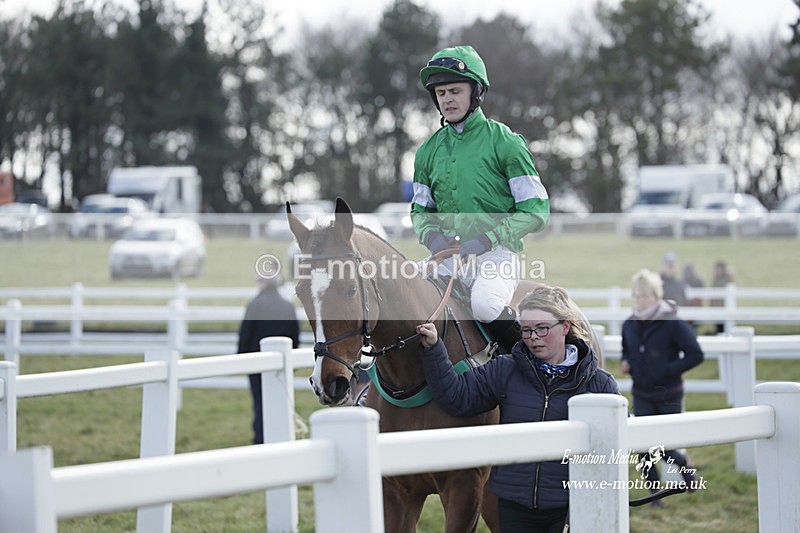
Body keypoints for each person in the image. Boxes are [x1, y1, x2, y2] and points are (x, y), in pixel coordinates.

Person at [417, 285, 619, 532]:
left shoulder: (599, 383)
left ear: (565, 327)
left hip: (572, 508)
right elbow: (458, 396)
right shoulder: (505, 370)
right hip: (514, 507)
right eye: (526, 330)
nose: (533, 337)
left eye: (542, 329)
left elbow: (614, 447)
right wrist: (434, 349)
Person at [411, 44, 550, 353]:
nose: (447, 99)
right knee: (401, 293)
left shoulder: (506, 143)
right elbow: (420, 210)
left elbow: (536, 211)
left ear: (475, 92)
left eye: (455, 91)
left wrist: (488, 240)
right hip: (448, 256)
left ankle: (532, 366)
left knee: (486, 307)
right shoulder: (427, 152)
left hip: (496, 254)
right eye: (441, 93)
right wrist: (431, 237)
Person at [620, 269, 704, 497]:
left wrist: (667, 370)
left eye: (646, 296)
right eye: (638, 296)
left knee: (665, 447)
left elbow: (695, 354)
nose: (641, 301)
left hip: (669, 392)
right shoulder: (629, 324)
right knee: (642, 447)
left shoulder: (672, 323)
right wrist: (626, 362)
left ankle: (684, 464)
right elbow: (626, 351)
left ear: (656, 296)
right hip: (641, 392)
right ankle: (655, 496)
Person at [237, 275, 300, 444]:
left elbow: (245, 335)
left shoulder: (255, 305)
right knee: (281, 402)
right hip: (283, 363)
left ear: (263, 283)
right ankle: (281, 437)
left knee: (259, 402)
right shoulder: (287, 306)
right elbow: (295, 335)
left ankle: (261, 439)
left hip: (257, 364)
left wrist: (242, 360)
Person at [710, 260, 734, 334]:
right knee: (719, 328)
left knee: (725, 328)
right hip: (717, 308)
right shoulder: (715, 279)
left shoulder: (727, 279)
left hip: (724, 307)